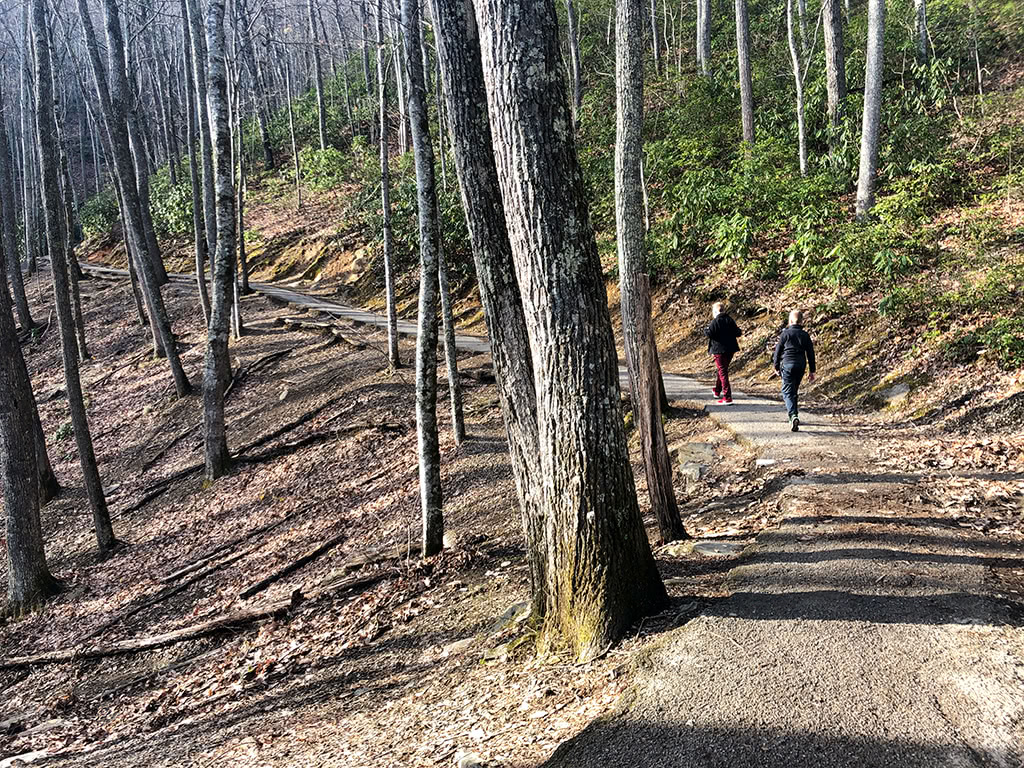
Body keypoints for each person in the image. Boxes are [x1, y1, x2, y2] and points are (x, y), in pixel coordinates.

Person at [772, 309, 816, 431]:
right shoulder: (805, 335)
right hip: (801, 365)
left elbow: (778, 351)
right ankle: (794, 414)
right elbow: (811, 354)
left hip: (787, 364)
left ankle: (793, 415)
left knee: (787, 391)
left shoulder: (785, 334)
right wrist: (812, 370)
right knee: (794, 390)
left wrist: (776, 366)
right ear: (802, 322)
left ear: (790, 321)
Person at [705, 301, 742, 405]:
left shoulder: (715, 321)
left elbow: (709, 333)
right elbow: (738, 332)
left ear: (716, 312)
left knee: (723, 372)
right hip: (730, 350)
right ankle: (717, 390)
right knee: (722, 370)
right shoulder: (729, 320)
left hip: (719, 350)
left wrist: (706, 329)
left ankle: (727, 397)